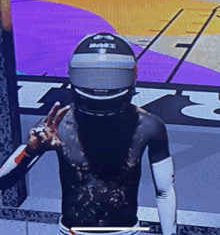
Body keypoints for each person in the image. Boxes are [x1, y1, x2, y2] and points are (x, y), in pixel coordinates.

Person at [0, 33, 177, 235]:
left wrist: (30, 152)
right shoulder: (147, 124)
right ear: (133, 74)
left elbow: (165, 193)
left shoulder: (149, 126)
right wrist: (32, 150)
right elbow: (164, 193)